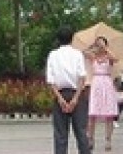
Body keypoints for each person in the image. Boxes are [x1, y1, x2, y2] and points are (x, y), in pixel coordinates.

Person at [45, 25, 91, 154]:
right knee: (81, 132)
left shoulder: (53, 55)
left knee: (60, 134)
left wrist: (60, 99)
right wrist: (75, 99)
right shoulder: (77, 54)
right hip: (77, 94)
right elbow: (82, 77)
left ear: (58, 39)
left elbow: (51, 80)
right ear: (72, 38)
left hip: (60, 93)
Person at [85, 36, 118, 150]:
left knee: (109, 114)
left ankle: (108, 140)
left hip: (107, 83)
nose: (100, 46)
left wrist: (106, 48)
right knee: (92, 114)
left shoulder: (109, 57)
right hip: (96, 83)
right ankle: (90, 139)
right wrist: (93, 46)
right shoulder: (93, 57)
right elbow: (84, 52)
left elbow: (116, 58)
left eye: (102, 44)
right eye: (98, 44)